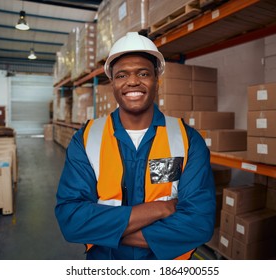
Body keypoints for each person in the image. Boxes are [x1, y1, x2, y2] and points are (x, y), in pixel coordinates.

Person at [55, 32, 216, 260]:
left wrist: (103, 230)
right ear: (112, 82)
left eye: (143, 73)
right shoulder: (86, 139)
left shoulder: (187, 140)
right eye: (122, 75)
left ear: (156, 81)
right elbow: (71, 219)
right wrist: (160, 209)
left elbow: (199, 223)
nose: (132, 81)